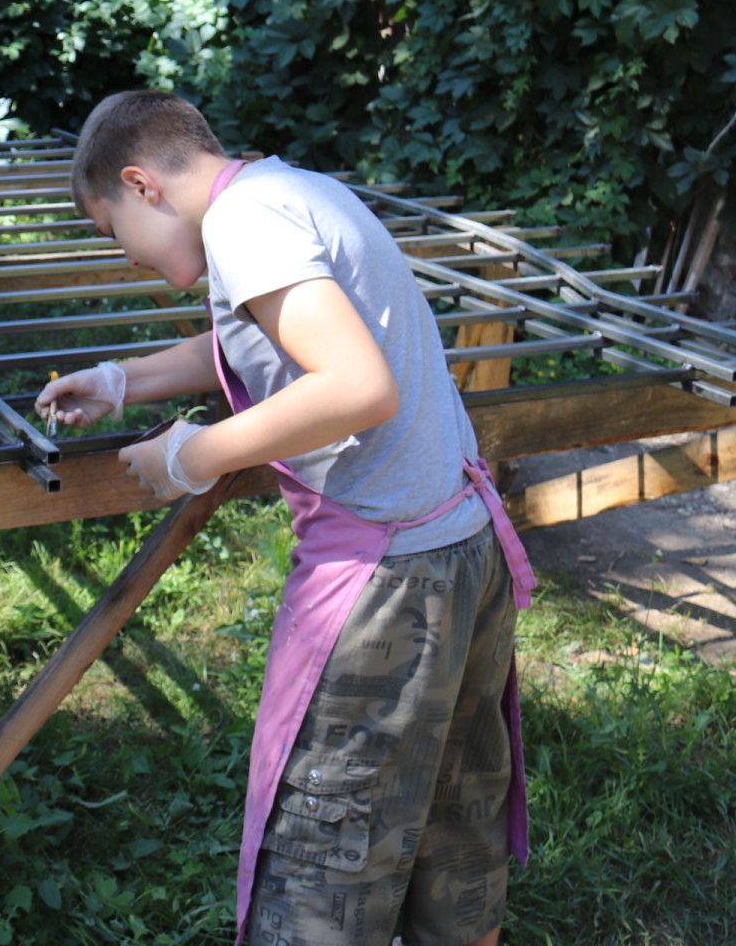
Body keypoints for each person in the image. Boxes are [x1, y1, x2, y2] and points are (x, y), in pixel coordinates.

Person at [33, 91, 536, 946]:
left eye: (111, 229)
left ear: (141, 185)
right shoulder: (287, 191)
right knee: (455, 829)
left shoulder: (245, 224)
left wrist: (191, 456)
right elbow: (260, 339)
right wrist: (125, 378)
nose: (124, 258)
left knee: (325, 856)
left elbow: (353, 386)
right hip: (457, 545)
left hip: (390, 580)